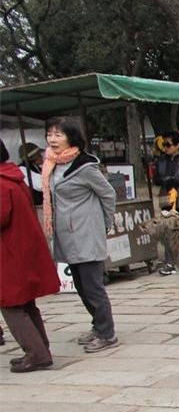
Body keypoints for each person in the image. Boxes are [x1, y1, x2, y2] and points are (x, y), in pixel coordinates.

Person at [41, 117, 118, 353]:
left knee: (93, 287)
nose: (52, 139)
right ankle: (97, 326)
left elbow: (108, 194)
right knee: (82, 287)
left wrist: (104, 224)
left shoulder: (85, 166)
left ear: (71, 138)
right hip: (66, 235)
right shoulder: (52, 164)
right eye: (50, 134)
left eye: (58, 135)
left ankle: (107, 333)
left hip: (86, 234)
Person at [1, 140, 59, 371]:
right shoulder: (13, 177)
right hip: (20, 250)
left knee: (12, 306)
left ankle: (36, 353)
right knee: (26, 304)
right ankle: (40, 348)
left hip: (9, 253)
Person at [152, 130, 179, 275]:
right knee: (167, 231)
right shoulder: (162, 160)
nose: (166, 147)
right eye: (164, 144)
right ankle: (169, 262)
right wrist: (164, 180)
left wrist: (174, 179)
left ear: (177, 145)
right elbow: (155, 179)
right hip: (166, 200)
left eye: (168, 144)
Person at [18, 143, 44, 207]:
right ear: (32, 158)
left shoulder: (36, 167)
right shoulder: (22, 169)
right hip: (35, 206)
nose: (41, 157)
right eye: (38, 155)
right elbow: (41, 186)